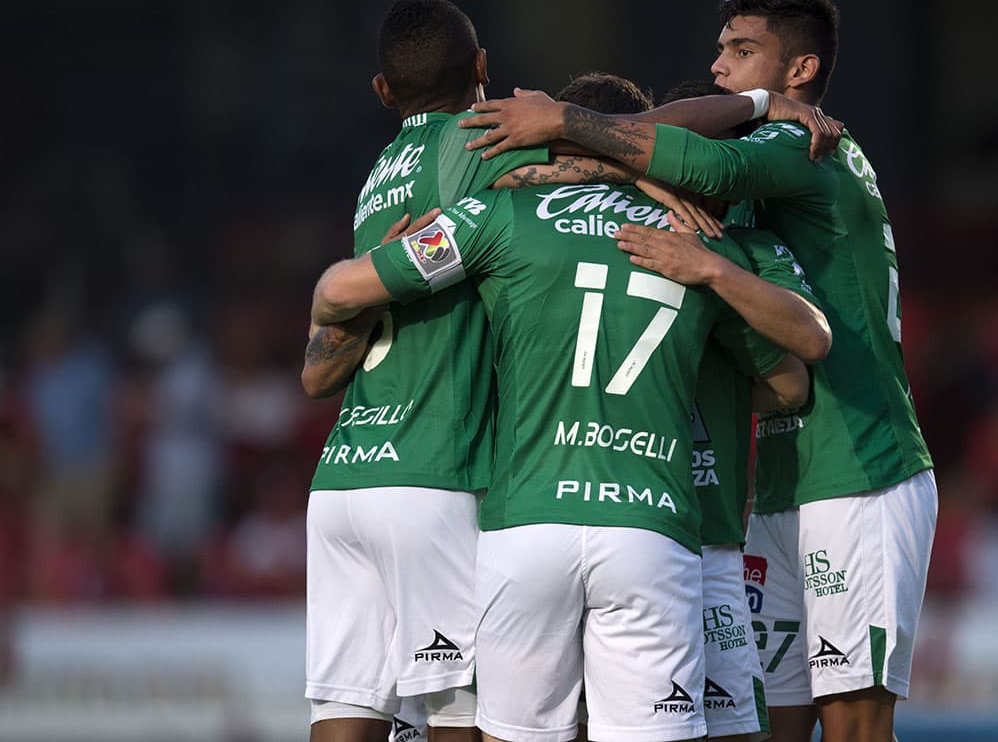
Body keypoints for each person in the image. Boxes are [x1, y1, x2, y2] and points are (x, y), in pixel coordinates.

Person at [456, 0, 938, 742]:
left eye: (742, 52)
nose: (719, 67)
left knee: (852, 723)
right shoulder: (758, 170)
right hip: (777, 480)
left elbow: (697, 162)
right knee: (773, 721)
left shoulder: (801, 143)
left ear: (801, 71)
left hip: (858, 461)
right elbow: (673, 151)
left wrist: (565, 128)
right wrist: (600, 162)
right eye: (719, 51)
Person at [306, 153, 825, 742]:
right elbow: (792, 378)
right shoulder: (697, 249)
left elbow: (335, 299)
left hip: (525, 523)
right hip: (650, 525)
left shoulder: (504, 218)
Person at [301, 0, 558, 742]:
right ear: (481, 68)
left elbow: (318, 376)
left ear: (384, 92)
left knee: (347, 709)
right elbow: (616, 155)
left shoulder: (378, 176)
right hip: (433, 469)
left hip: (344, 477)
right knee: (460, 714)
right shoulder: (485, 144)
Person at [560, 74, 831, 742]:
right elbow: (791, 381)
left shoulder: (536, 238)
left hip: (547, 518)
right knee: (723, 727)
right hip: (693, 528)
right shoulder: (729, 250)